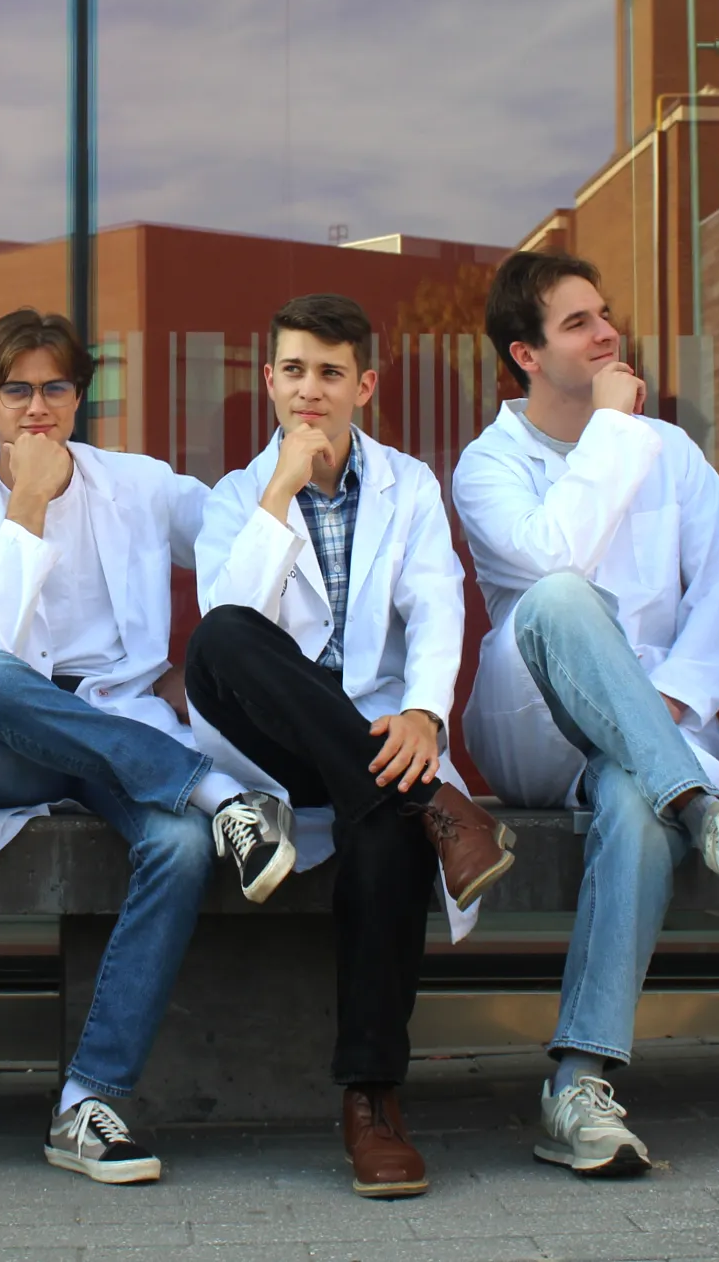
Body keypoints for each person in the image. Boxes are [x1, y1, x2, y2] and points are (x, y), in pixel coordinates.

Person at [0, 308, 268, 1185]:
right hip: (9, 742)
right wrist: (27, 501)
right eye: (16, 390)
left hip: (118, 733)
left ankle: (88, 1103)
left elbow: (235, 543)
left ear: (79, 398)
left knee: (181, 849)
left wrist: (292, 467)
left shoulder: (138, 483)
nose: (37, 406)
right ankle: (215, 792)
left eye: (55, 387)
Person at [183, 293, 513, 1198]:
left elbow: (438, 606)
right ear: (269, 381)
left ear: (363, 384)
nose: (309, 390)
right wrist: (279, 488)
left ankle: (372, 1104)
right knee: (219, 637)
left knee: (381, 830)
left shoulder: (409, 484)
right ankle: (437, 807)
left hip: (373, 737)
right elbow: (233, 617)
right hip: (271, 740)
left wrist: (424, 717)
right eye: (293, 370)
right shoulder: (233, 498)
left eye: (330, 373)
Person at [452, 250, 719, 1177]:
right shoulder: (488, 465)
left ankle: (578, 1085)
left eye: (605, 315)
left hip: (652, 724)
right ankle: (707, 814)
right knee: (555, 595)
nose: (606, 334)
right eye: (578, 324)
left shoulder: (672, 452)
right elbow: (560, 553)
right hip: (530, 727)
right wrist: (615, 430)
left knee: (635, 798)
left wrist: (664, 702)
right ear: (524, 352)